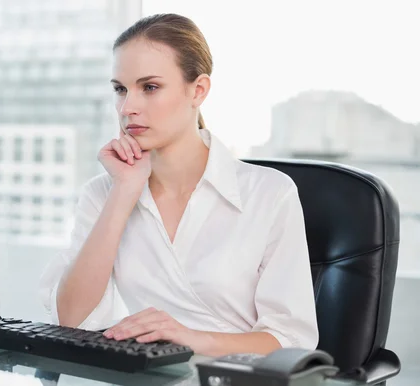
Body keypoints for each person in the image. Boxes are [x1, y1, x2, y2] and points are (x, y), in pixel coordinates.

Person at [39, 13, 318, 356]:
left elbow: (291, 341)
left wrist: (189, 338)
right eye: (120, 89)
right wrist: (125, 190)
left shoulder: (269, 194)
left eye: (150, 87)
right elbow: (69, 319)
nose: (128, 108)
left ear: (197, 90)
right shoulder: (102, 193)